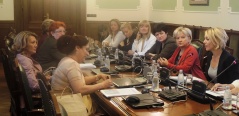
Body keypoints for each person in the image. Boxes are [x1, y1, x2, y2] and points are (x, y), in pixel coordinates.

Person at [51, 35, 113, 115]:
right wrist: (103, 85)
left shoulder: (66, 60)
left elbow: (77, 81)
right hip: (67, 107)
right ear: (77, 48)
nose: (87, 53)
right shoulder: (71, 64)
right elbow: (80, 89)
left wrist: (98, 77)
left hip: (61, 102)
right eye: (86, 49)